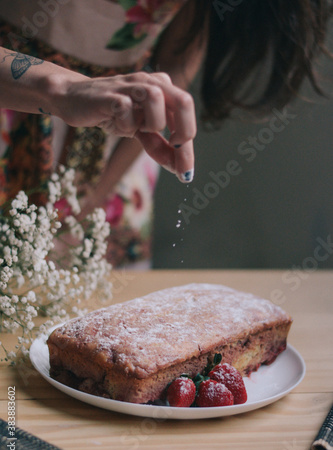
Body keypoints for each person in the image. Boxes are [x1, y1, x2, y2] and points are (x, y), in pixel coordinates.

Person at [0, 0, 331, 267]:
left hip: (117, 145)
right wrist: (62, 90)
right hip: (12, 100)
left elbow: (174, 70)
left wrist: (96, 196)